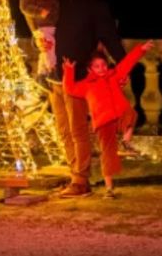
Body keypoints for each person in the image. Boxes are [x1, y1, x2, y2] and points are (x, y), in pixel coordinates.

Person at [50, 0, 127, 198]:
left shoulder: (95, 6)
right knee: (63, 131)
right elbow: (45, 31)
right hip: (56, 78)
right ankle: (76, 175)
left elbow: (111, 41)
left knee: (78, 131)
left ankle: (81, 181)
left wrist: (123, 69)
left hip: (80, 80)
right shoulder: (60, 6)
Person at [63, 40, 152, 198]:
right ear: (91, 69)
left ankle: (126, 137)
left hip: (118, 115)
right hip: (103, 122)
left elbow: (127, 63)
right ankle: (109, 188)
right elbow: (70, 88)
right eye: (97, 67)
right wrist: (69, 71)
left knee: (131, 113)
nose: (101, 69)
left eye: (103, 65)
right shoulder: (87, 85)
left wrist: (141, 49)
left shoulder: (114, 76)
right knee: (108, 154)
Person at [19, 0, 60, 80]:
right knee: (49, 49)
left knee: (45, 52)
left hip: (50, 25)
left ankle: (42, 75)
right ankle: (52, 70)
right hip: (43, 26)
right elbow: (24, 6)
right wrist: (39, 11)